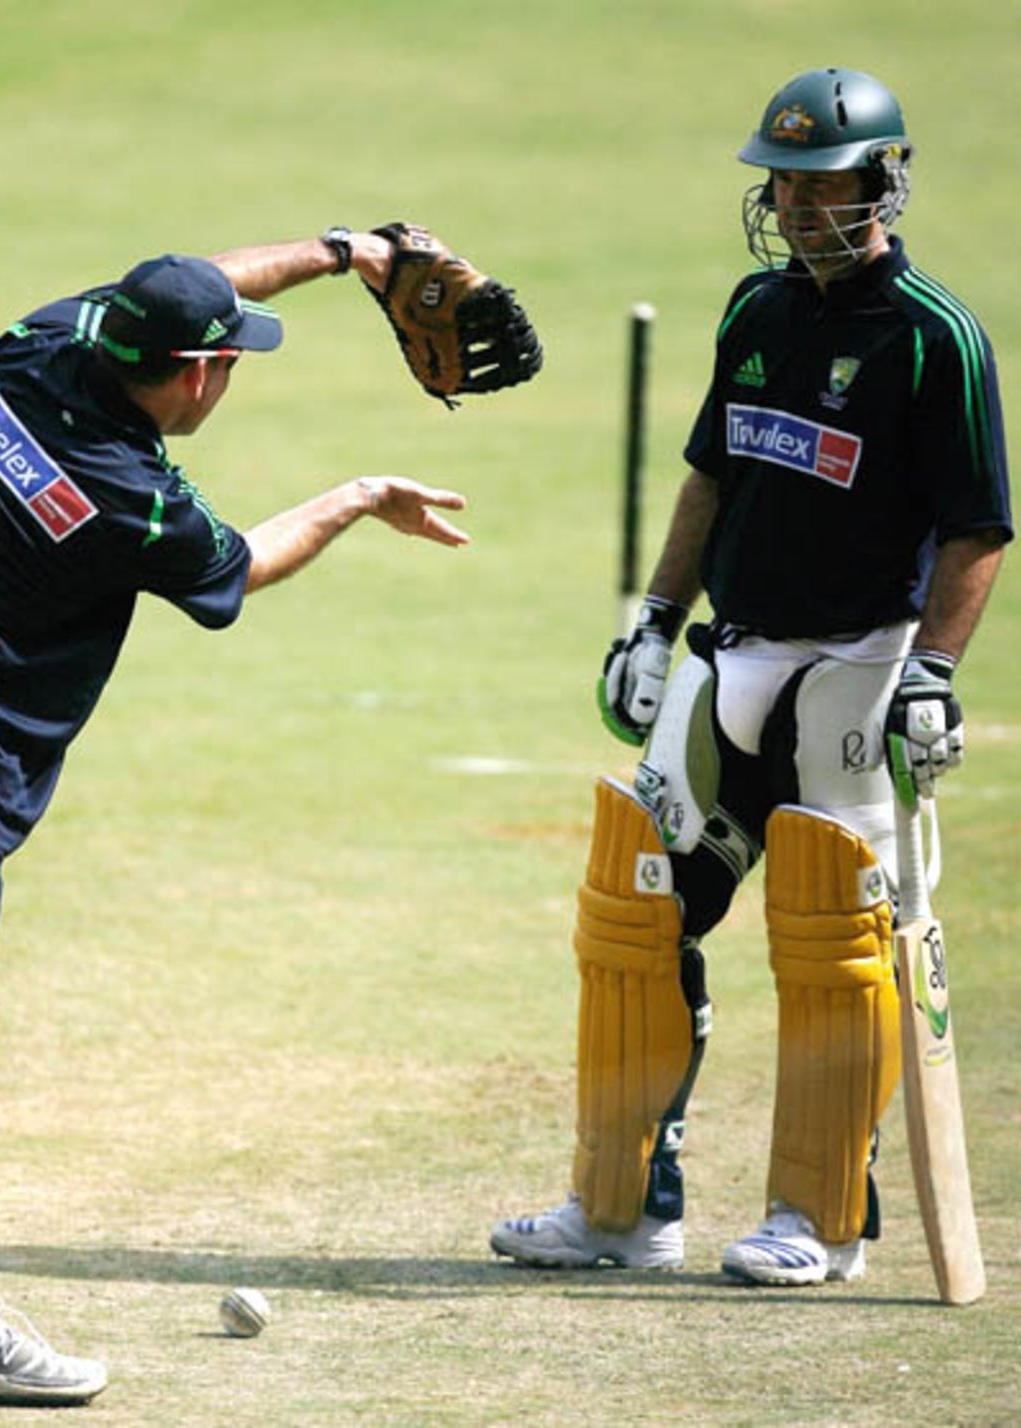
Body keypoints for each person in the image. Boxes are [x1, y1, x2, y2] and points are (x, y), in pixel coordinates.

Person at [0, 227, 471, 1406]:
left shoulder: (38, 344)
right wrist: (354, 498)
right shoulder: (131, 498)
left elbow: (197, 284)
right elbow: (236, 566)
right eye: (229, 363)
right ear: (196, 378)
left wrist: (347, 252)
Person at [490, 68, 1011, 1286]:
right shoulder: (755, 310)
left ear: (879, 183)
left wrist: (931, 673)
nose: (785, 203)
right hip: (733, 659)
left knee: (829, 938)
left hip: (858, 667)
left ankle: (818, 1222)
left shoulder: (935, 338)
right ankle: (620, 1209)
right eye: (776, 180)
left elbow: (978, 530)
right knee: (634, 915)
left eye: (814, 181)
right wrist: (654, 620)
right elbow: (710, 476)